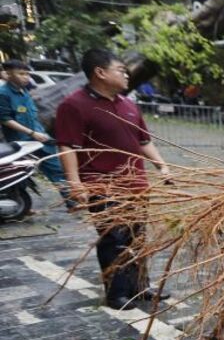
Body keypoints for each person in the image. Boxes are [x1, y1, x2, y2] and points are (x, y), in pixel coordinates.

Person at [54, 48, 173, 310]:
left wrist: (162, 166)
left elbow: (143, 141)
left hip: (136, 185)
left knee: (137, 237)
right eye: (120, 69)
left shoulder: (128, 104)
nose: (126, 74)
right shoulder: (73, 105)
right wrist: (75, 183)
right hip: (103, 186)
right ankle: (116, 293)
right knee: (113, 240)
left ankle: (140, 287)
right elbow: (67, 146)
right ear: (100, 72)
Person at [0, 60, 67, 188]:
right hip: (22, 144)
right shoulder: (3, 94)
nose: (26, 77)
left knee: (58, 171)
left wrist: (39, 132)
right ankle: (21, 204)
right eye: (21, 74)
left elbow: (31, 114)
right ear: (9, 74)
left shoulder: (24, 91)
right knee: (20, 176)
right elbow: (5, 119)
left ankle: (72, 204)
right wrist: (31, 133)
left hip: (40, 139)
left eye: (27, 74)